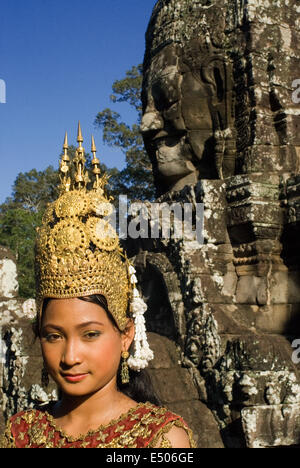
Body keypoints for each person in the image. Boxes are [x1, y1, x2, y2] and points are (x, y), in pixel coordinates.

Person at [0, 124, 196, 449]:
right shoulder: (19, 432)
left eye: (90, 334)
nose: (70, 356)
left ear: (126, 335)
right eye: (53, 335)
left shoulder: (162, 440)